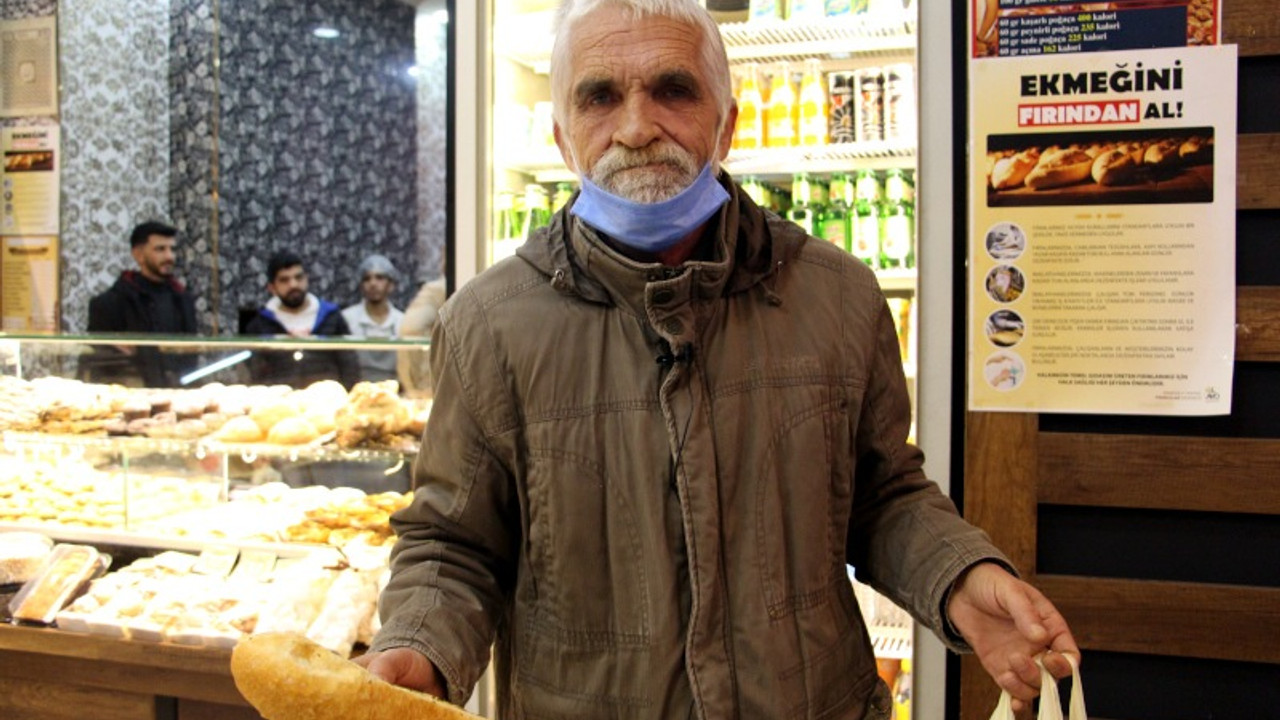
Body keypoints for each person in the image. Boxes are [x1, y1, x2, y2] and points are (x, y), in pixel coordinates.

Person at [359, 1, 1079, 718]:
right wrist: (418, 643)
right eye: (600, 97)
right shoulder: (488, 324)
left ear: (727, 123)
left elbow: (880, 494)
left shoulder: (838, 295)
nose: (637, 128)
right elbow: (454, 545)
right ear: (561, 138)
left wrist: (960, 575)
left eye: (673, 90)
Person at [86, 221, 198, 387]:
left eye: (172, 249)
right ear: (138, 255)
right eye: (160, 249)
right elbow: (103, 364)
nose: (170, 257)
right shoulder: (111, 303)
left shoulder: (182, 299)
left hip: (178, 392)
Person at [242, 250, 359, 389]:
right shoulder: (259, 324)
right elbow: (254, 374)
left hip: (327, 402)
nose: (293, 285)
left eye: (298, 277)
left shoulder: (332, 316)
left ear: (306, 279)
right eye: (284, 280)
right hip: (279, 404)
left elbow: (350, 366)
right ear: (272, 288)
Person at [341, 254, 405, 383]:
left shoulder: (403, 322)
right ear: (361, 285)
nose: (373, 283)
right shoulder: (346, 318)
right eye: (367, 279)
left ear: (391, 285)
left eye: (380, 278)